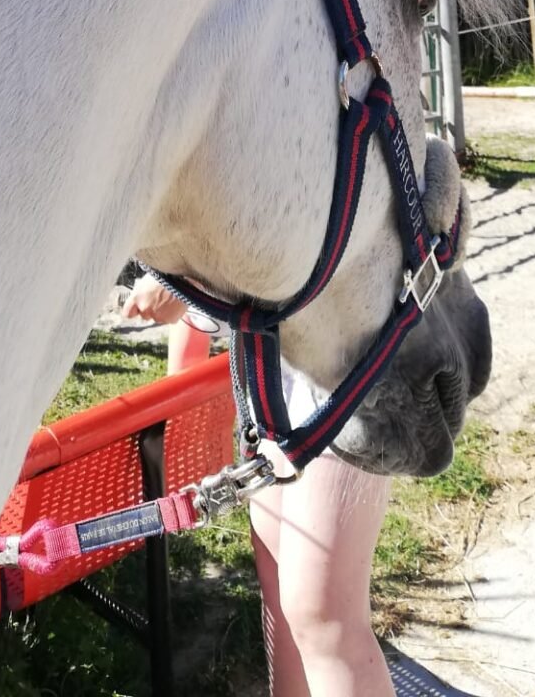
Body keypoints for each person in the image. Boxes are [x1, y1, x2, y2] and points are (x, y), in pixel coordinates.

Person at [124, 273, 394, 697]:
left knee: (321, 611)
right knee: (282, 592)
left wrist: (182, 283)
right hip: (273, 367)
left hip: (346, 347)